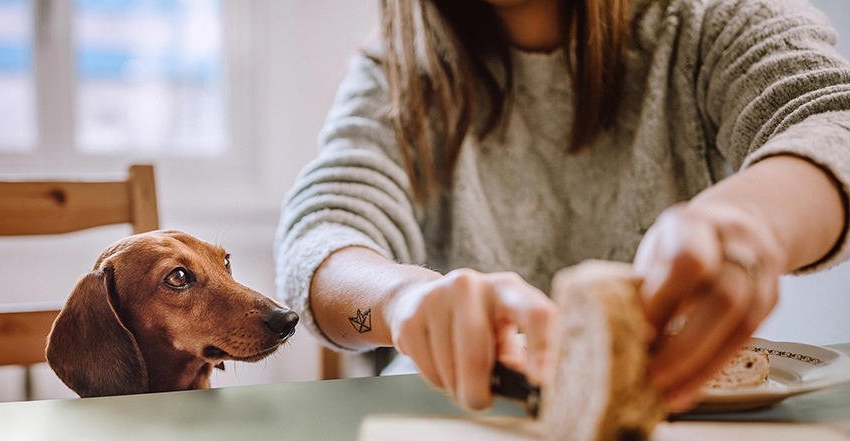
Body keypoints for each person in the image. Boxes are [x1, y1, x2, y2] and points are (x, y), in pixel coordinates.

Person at [275, 0, 850, 413]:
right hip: (468, 424)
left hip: (683, 423)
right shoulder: (397, 73)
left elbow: (829, 120)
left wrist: (751, 222)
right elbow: (322, 234)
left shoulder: (709, 20)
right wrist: (401, 300)